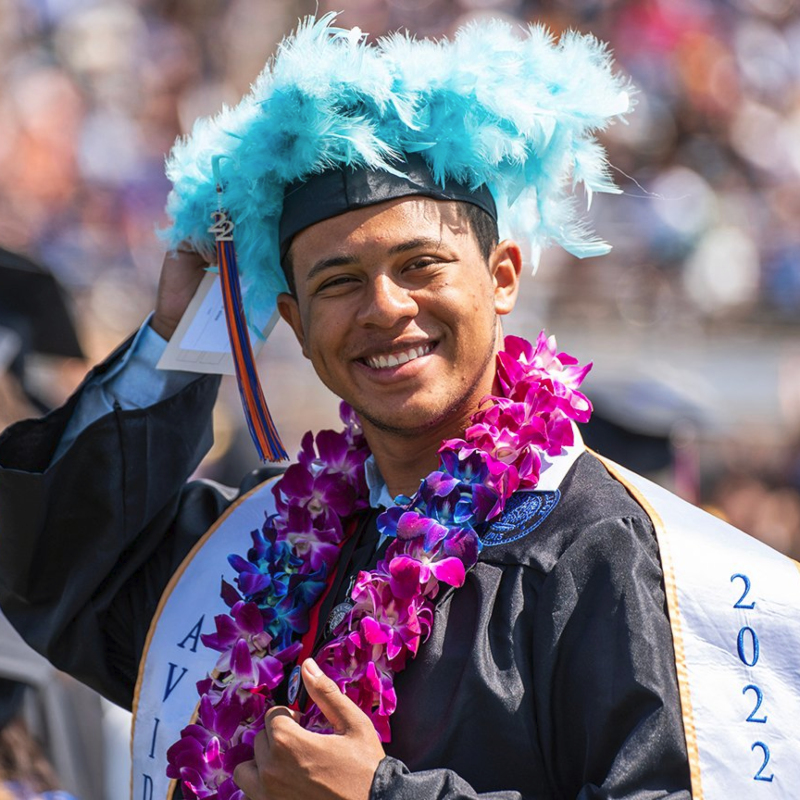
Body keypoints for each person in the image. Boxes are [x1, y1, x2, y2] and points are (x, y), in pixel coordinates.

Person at [1, 14, 799, 800]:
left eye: (421, 264)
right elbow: (52, 571)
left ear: (504, 277)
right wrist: (182, 342)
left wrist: (382, 798)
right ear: (297, 326)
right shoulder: (259, 545)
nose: (384, 308)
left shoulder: (599, 551)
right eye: (338, 282)